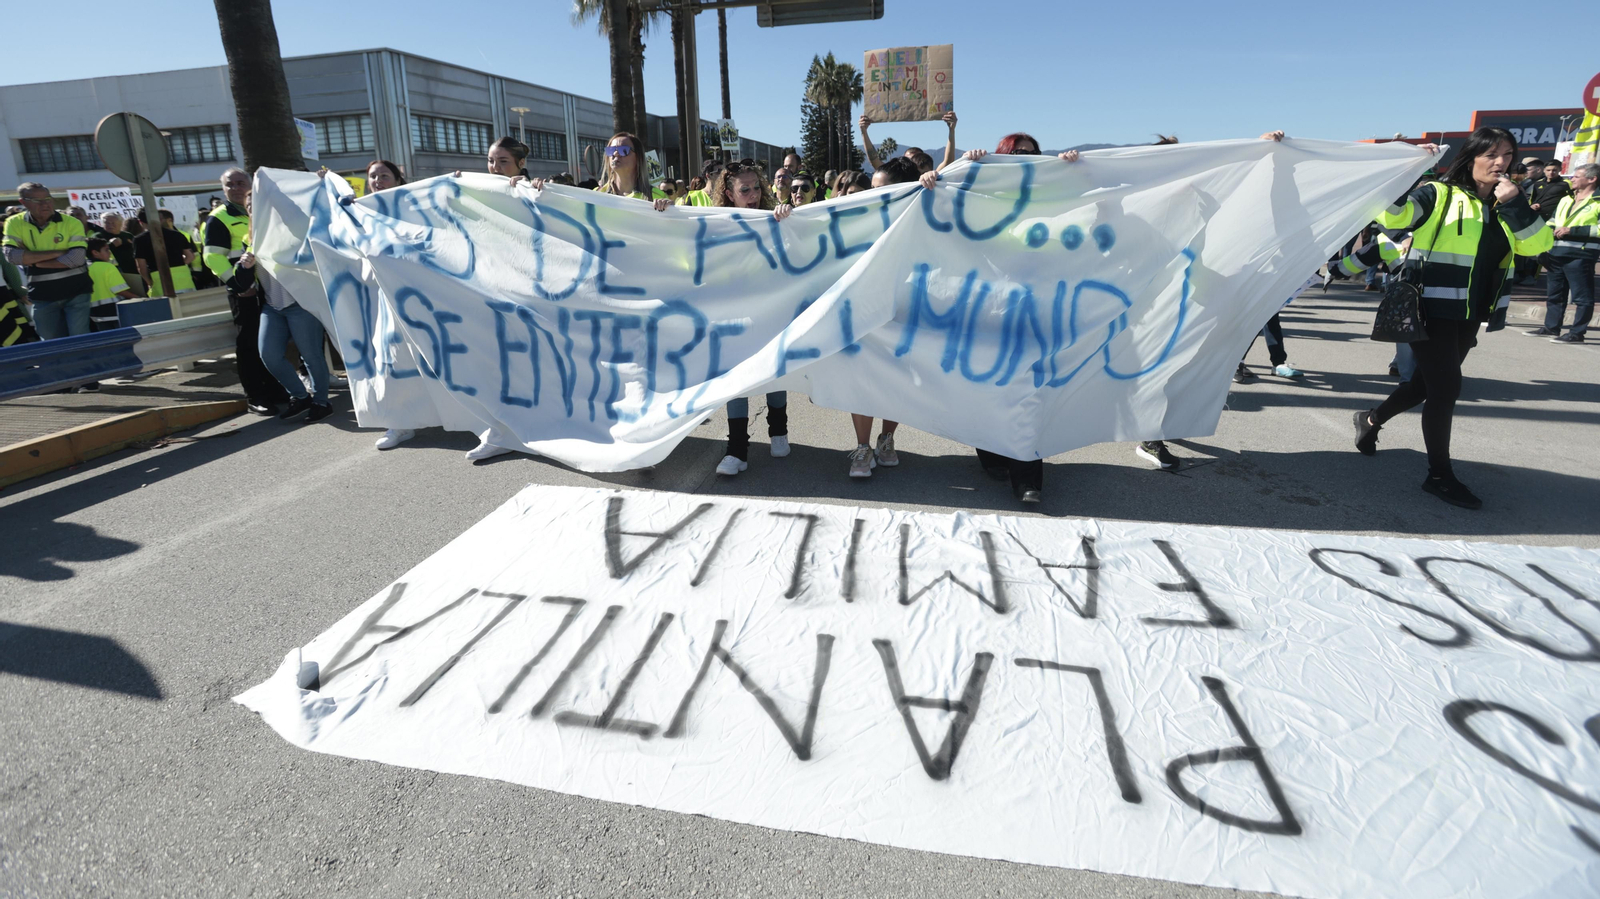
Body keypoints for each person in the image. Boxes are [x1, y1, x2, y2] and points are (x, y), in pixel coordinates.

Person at [1346, 127, 1554, 510]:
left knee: (1426, 384)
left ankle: (1371, 420)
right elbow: (1394, 218)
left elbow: (1539, 245)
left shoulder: (1506, 204)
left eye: (1507, 154)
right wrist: (1402, 168)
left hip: (1471, 311)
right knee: (1445, 389)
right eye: (1491, 154)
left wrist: (1516, 205)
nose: (1501, 162)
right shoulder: (1440, 194)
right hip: (1431, 307)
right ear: (1470, 156)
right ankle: (1439, 475)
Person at [917, 138, 1082, 497]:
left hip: (1032, 315)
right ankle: (991, 452)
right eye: (1017, 153)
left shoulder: (1048, 194)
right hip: (985, 313)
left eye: (1030, 153)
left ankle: (1027, 479)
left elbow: (1090, 202)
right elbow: (943, 210)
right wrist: (943, 173)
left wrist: (1073, 168)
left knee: (1025, 393)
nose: (1024, 159)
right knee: (986, 389)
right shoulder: (982, 191)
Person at [662, 162, 795, 476]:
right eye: (744, 189)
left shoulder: (775, 217)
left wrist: (788, 219)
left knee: (773, 373)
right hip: (731, 315)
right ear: (728, 193)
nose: (752, 195)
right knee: (735, 381)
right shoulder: (716, 222)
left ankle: (778, 430)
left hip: (770, 311)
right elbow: (682, 239)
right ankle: (737, 449)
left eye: (756, 188)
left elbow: (796, 250)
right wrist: (667, 213)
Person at [205, 167, 288, 415]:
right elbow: (213, 258)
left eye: (241, 183)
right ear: (223, 189)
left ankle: (274, 389)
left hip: (267, 287)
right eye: (230, 184)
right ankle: (255, 396)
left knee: (270, 342)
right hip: (244, 290)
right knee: (249, 343)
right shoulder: (219, 218)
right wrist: (239, 285)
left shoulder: (260, 211)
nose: (236, 188)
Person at [249, 252, 335, 423]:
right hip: (272, 305)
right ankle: (300, 397)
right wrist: (243, 267)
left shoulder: (293, 230)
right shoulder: (253, 238)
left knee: (311, 355)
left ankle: (321, 403)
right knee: (269, 355)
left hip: (301, 303)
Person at [3, 183, 92, 342]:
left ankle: (81, 367)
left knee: (79, 339)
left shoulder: (71, 222)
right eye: (37, 200)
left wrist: (33, 260)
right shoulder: (14, 222)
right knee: (50, 342)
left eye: (47, 199)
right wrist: (59, 253)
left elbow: (76, 259)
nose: (45, 204)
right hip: (41, 295)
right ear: (23, 202)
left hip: (77, 291)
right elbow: (12, 257)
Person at [1539, 162, 1599, 343]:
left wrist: (1572, 231)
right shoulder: (1566, 199)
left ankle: (1577, 332)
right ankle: (1551, 328)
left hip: (1580, 255)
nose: (1571, 179)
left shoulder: (1597, 201)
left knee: (1582, 297)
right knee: (1555, 294)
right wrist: (1546, 235)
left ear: (1592, 179)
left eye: (1576, 176)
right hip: (1556, 252)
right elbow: (1552, 221)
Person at [133, 209, 197, 296]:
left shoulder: (139, 240)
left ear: (140, 222)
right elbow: (190, 256)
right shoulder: (177, 235)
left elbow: (141, 267)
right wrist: (179, 264)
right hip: (183, 278)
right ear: (160, 219)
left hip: (159, 280)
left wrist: (149, 282)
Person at [85, 238, 137, 330]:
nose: (109, 252)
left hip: (95, 314)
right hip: (114, 312)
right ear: (95, 252)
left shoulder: (84, 268)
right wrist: (138, 298)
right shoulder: (108, 267)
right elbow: (119, 290)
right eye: (106, 250)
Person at [98, 212, 144, 297]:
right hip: (113, 273)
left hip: (132, 272)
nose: (110, 225)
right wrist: (111, 245)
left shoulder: (127, 235)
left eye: (113, 223)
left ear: (120, 223)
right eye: (107, 223)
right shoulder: (98, 237)